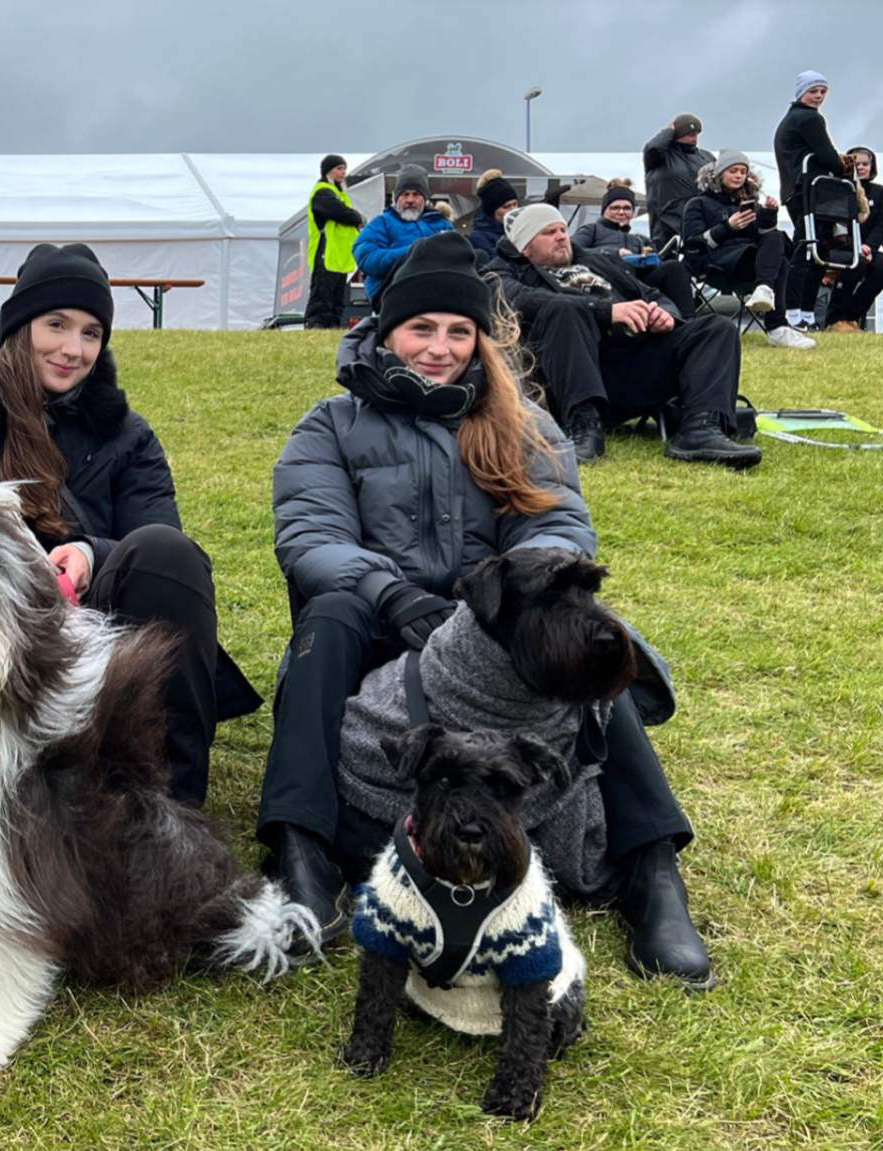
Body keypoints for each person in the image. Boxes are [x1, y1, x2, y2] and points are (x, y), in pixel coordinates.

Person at [261, 231, 713, 988]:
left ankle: (651, 867)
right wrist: (392, 592)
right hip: (378, 622)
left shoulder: (523, 419)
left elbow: (560, 526)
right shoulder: (329, 425)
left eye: (458, 331)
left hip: (489, 622)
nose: (439, 347)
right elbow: (311, 534)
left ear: (479, 339)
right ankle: (299, 845)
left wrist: (495, 596)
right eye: (421, 329)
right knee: (328, 615)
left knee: (589, 636)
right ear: (386, 331)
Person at [0, 243, 261, 806]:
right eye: (56, 324)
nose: (73, 349)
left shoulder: (129, 438)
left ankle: (170, 804)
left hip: (81, 632)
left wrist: (90, 553)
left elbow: (164, 543)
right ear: (19, 325)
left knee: (169, 554)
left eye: (92, 333)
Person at [488, 203, 762, 467]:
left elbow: (652, 293)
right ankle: (585, 429)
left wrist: (664, 315)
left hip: (630, 368)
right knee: (564, 309)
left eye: (562, 230)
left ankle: (702, 429)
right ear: (524, 246)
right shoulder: (501, 273)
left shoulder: (596, 261)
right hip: (569, 378)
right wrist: (605, 311)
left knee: (716, 328)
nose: (562, 237)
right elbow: (519, 299)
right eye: (549, 233)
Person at [681, 149, 816, 348]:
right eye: (733, 170)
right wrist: (728, 227)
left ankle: (766, 293)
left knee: (777, 240)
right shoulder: (697, 204)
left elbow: (765, 238)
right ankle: (776, 325)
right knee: (779, 259)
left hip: (748, 263)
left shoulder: (750, 204)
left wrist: (769, 215)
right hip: (715, 264)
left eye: (743, 172)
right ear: (719, 174)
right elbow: (692, 245)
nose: (739, 176)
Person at [775, 71, 840, 329]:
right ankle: (794, 313)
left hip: (797, 191)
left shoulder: (791, 118)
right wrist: (844, 167)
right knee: (807, 250)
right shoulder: (809, 118)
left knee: (816, 251)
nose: (819, 97)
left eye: (823, 92)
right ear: (801, 92)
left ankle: (806, 314)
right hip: (808, 192)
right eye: (814, 91)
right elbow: (829, 156)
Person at [574, 179, 696, 313]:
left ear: (632, 212)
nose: (621, 212)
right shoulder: (591, 230)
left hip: (637, 283)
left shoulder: (641, 239)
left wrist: (649, 261)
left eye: (627, 208)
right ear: (604, 210)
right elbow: (572, 250)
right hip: (604, 282)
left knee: (674, 267)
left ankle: (687, 322)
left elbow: (658, 264)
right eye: (615, 207)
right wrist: (612, 253)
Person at [352, 164, 451, 301]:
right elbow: (366, 258)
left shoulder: (443, 226)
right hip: (392, 291)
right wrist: (415, 251)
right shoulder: (381, 223)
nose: (410, 200)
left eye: (416, 194)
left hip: (437, 290)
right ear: (396, 197)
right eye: (405, 194)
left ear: (425, 198)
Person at [824, 146, 883, 332]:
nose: (861, 168)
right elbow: (835, 227)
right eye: (857, 164)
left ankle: (852, 317)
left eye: (865, 164)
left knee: (881, 266)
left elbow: (880, 226)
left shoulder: (879, 192)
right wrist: (856, 246)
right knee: (857, 262)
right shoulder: (837, 190)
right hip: (840, 247)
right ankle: (835, 317)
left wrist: (868, 247)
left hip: (867, 248)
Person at [304, 154, 364, 329]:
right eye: (339, 168)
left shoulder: (337, 193)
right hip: (325, 251)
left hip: (338, 255)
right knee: (322, 295)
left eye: (344, 168)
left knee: (337, 298)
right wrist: (357, 217)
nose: (343, 172)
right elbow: (341, 212)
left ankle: (332, 329)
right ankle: (315, 327)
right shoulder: (323, 191)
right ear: (327, 171)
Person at [643, 113, 714, 248]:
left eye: (696, 134)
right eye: (689, 134)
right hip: (667, 223)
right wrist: (669, 130)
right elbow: (653, 148)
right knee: (669, 264)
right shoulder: (659, 157)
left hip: (699, 220)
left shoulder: (706, 156)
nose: (694, 139)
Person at [468, 169, 519, 262]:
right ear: (492, 211)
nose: (513, 210)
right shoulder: (478, 237)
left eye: (515, 204)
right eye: (506, 206)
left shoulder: (517, 231)